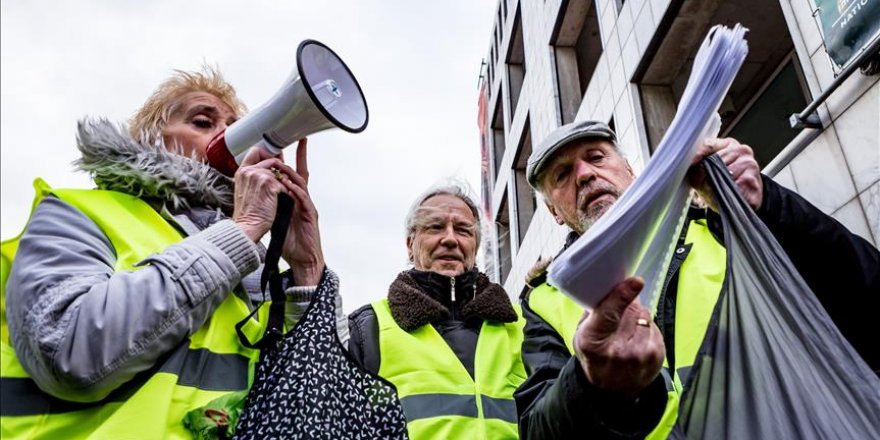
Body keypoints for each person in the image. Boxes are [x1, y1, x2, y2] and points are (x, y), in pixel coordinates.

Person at [0, 66, 337, 438]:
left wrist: (307, 270)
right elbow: (70, 352)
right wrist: (240, 232)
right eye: (203, 121)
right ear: (152, 141)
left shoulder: (257, 263)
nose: (229, 135)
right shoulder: (79, 212)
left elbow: (312, 402)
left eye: (240, 125)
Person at [514, 120, 880, 439]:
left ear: (628, 167)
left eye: (596, 157)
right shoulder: (544, 299)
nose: (585, 174)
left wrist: (767, 205)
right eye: (562, 175)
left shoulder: (722, 224)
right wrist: (592, 385)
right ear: (553, 211)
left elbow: (865, 291)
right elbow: (539, 429)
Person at [347, 183, 526, 439]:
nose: (451, 239)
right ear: (410, 244)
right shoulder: (369, 328)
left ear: (475, 247)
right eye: (435, 227)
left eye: (463, 230)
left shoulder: (521, 325)